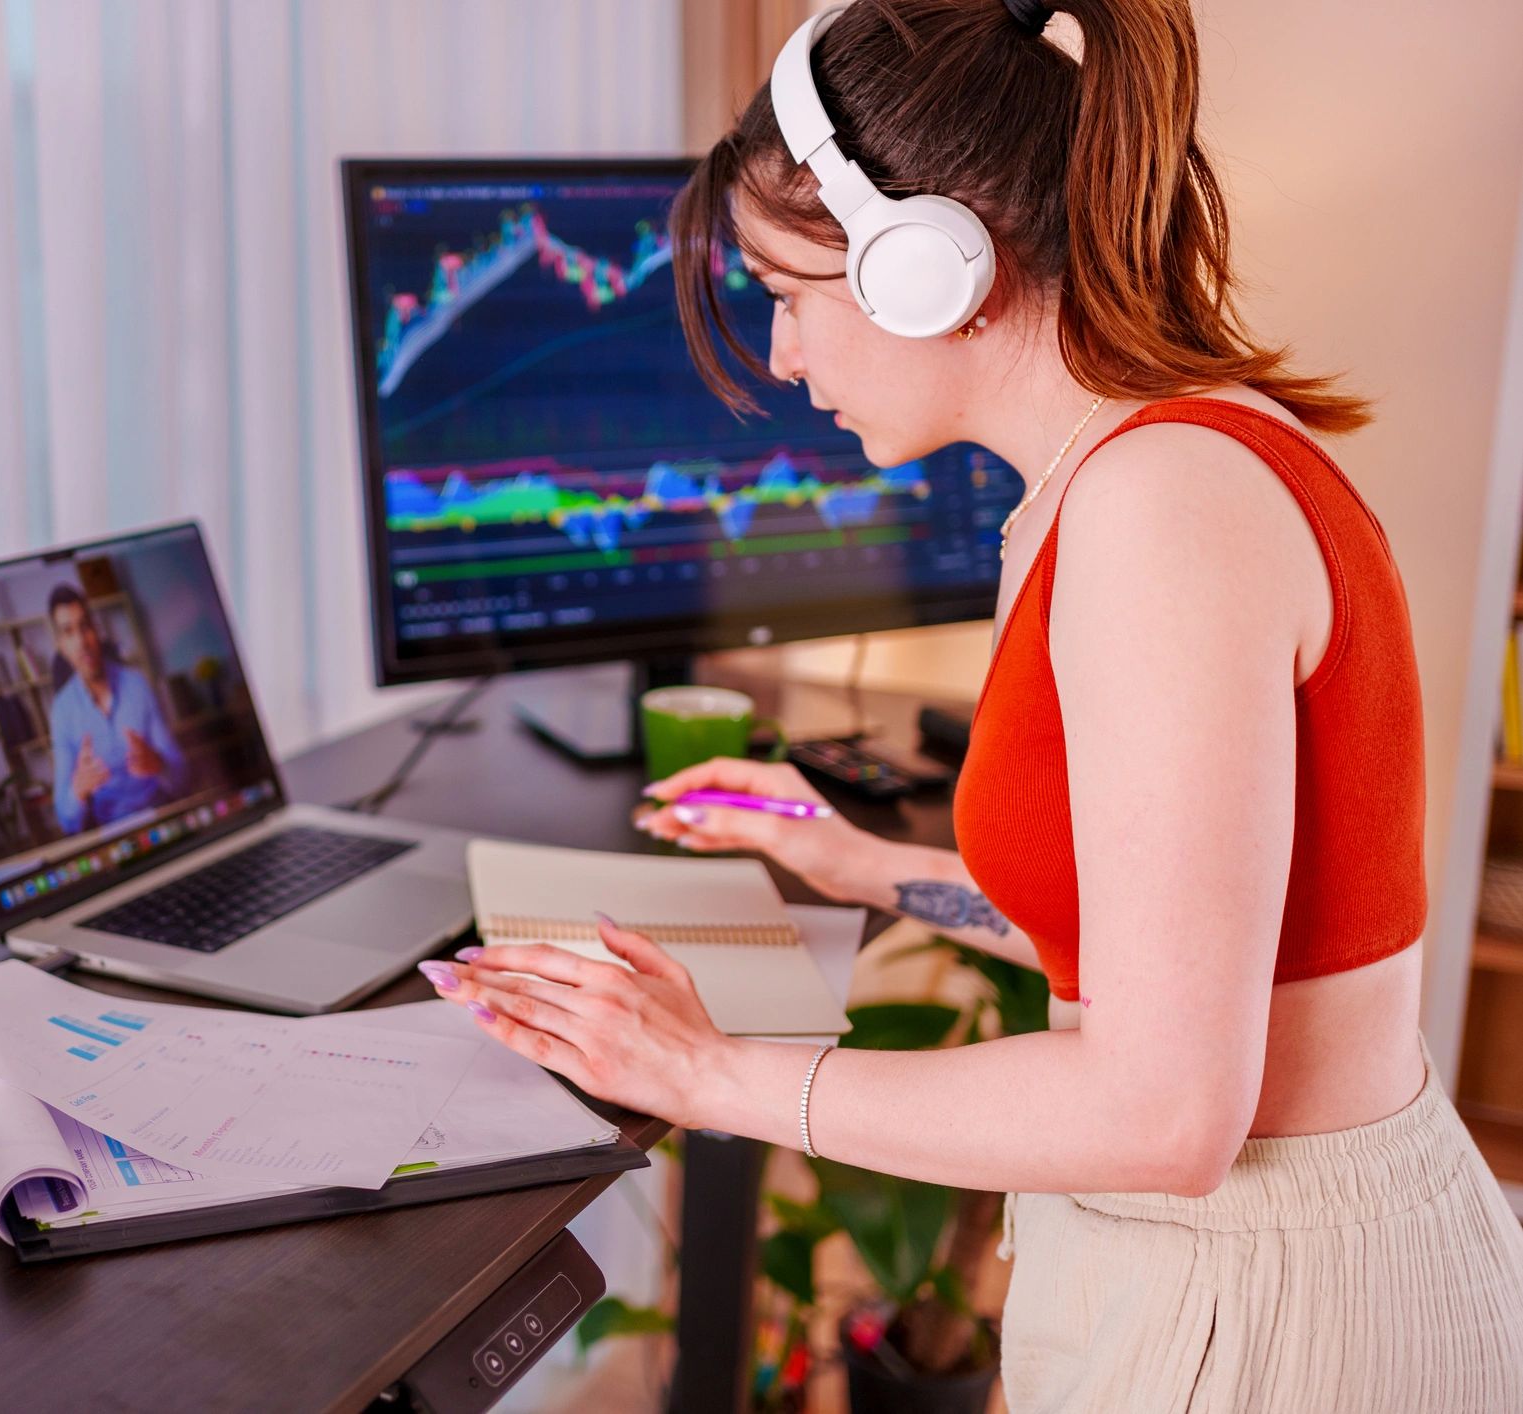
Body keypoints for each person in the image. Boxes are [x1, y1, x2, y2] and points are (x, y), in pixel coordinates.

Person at [420, 1, 1523, 1408]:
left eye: (791, 291)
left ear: (931, 266)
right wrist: (872, 866)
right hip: (1224, 1267)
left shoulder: (1157, 509)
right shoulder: (1122, 467)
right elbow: (1169, 933)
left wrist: (712, 1073)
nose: (781, 354)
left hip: (1271, 1299)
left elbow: (1165, 1107)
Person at [45, 585, 186, 833]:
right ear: (61, 645)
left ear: (96, 630)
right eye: (68, 632)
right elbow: (66, 820)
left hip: (161, 820)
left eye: (85, 626)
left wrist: (159, 764)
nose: (81, 642)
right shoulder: (61, 711)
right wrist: (78, 790)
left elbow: (182, 774)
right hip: (113, 835)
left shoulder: (137, 684)